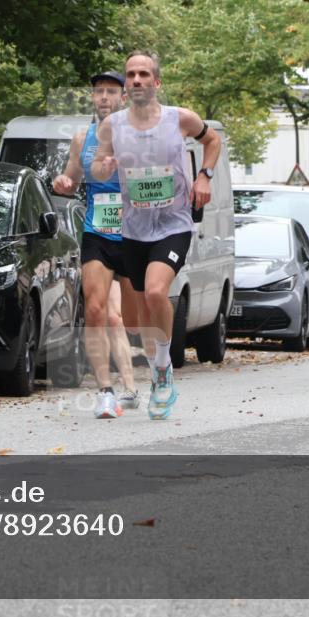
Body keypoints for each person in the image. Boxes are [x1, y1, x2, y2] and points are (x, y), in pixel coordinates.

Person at [91, 51, 222, 420]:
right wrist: (106, 165)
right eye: (130, 74)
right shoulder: (112, 126)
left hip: (174, 224)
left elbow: (213, 142)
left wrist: (204, 177)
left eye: (143, 74)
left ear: (156, 82)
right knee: (136, 321)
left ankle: (162, 374)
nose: (135, 80)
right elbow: (98, 170)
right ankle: (156, 367)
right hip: (133, 228)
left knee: (154, 292)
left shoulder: (180, 119)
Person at [53, 71, 140, 419]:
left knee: (128, 317)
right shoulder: (82, 138)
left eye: (111, 92)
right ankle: (106, 391)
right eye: (98, 91)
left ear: (123, 98)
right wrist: (64, 182)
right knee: (95, 310)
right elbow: (71, 180)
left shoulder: (139, 136)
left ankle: (136, 384)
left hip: (135, 234)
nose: (104, 97)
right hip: (98, 232)